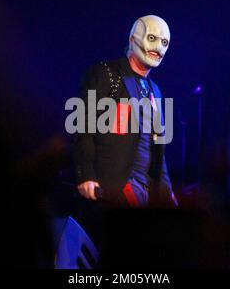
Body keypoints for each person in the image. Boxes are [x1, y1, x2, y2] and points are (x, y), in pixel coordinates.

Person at [74, 15, 177, 209]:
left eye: (164, 42)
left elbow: (159, 151)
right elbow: (82, 125)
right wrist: (86, 174)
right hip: (116, 187)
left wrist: (167, 194)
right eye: (152, 39)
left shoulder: (156, 91)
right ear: (133, 39)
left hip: (147, 191)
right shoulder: (106, 73)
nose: (158, 48)